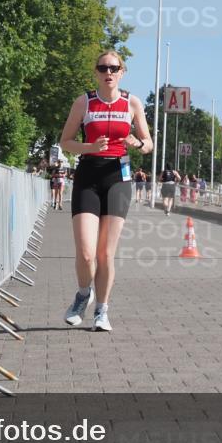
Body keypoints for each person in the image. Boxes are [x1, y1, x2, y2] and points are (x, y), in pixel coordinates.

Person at [58, 50, 152, 332]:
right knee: (86, 253)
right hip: (88, 174)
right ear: (96, 72)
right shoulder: (84, 102)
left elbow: (148, 143)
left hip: (118, 177)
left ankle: (102, 310)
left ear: (122, 72)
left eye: (113, 68)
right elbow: (65, 142)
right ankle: (83, 295)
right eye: (102, 68)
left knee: (105, 254)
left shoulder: (132, 103)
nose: (108, 72)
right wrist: (89, 147)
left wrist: (138, 144)